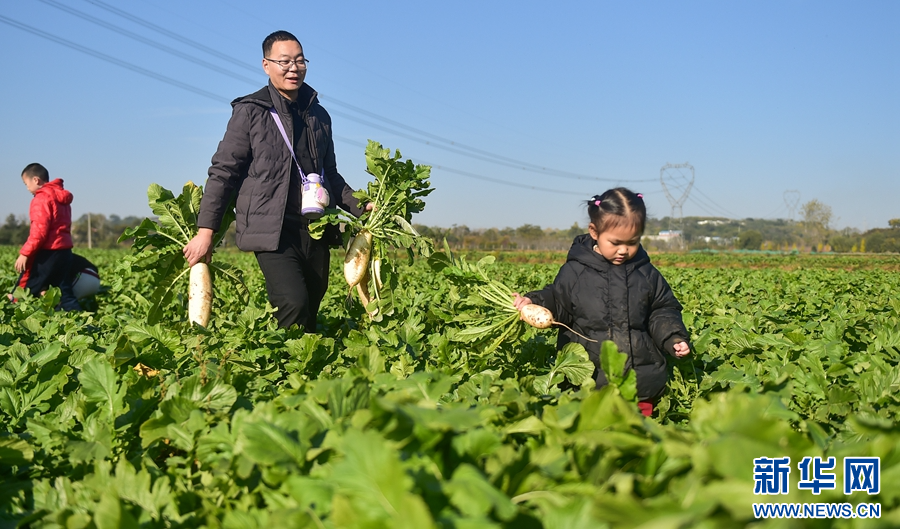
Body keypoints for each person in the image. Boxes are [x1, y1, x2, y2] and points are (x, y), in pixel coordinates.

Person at [183, 30, 370, 331]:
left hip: (316, 227)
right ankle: (284, 370)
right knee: (292, 302)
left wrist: (363, 206)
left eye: (299, 61)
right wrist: (206, 231)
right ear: (266, 65)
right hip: (273, 229)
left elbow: (330, 174)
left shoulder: (319, 116)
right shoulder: (251, 112)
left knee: (311, 302)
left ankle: (303, 371)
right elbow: (223, 171)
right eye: (284, 61)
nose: (293, 68)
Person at [513, 188, 690, 417]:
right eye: (615, 242)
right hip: (591, 380)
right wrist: (533, 302)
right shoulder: (575, 272)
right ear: (594, 232)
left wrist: (672, 337)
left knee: (638, 436)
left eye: (633, 242)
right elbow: (557, 299)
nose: (624, 250)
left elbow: (662, 309)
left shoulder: (646, 273)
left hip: (639, 381)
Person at [13, 163, 80, 310]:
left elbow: (39, 232)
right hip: (64, 252)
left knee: (22, 292)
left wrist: (25, 253)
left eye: (26, 184)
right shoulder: (62, 199)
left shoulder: (41, 199)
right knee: (64, 293)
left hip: (47, 253)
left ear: (36, 180)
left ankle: (14, 322)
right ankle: (84, 328)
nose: (27, 188)